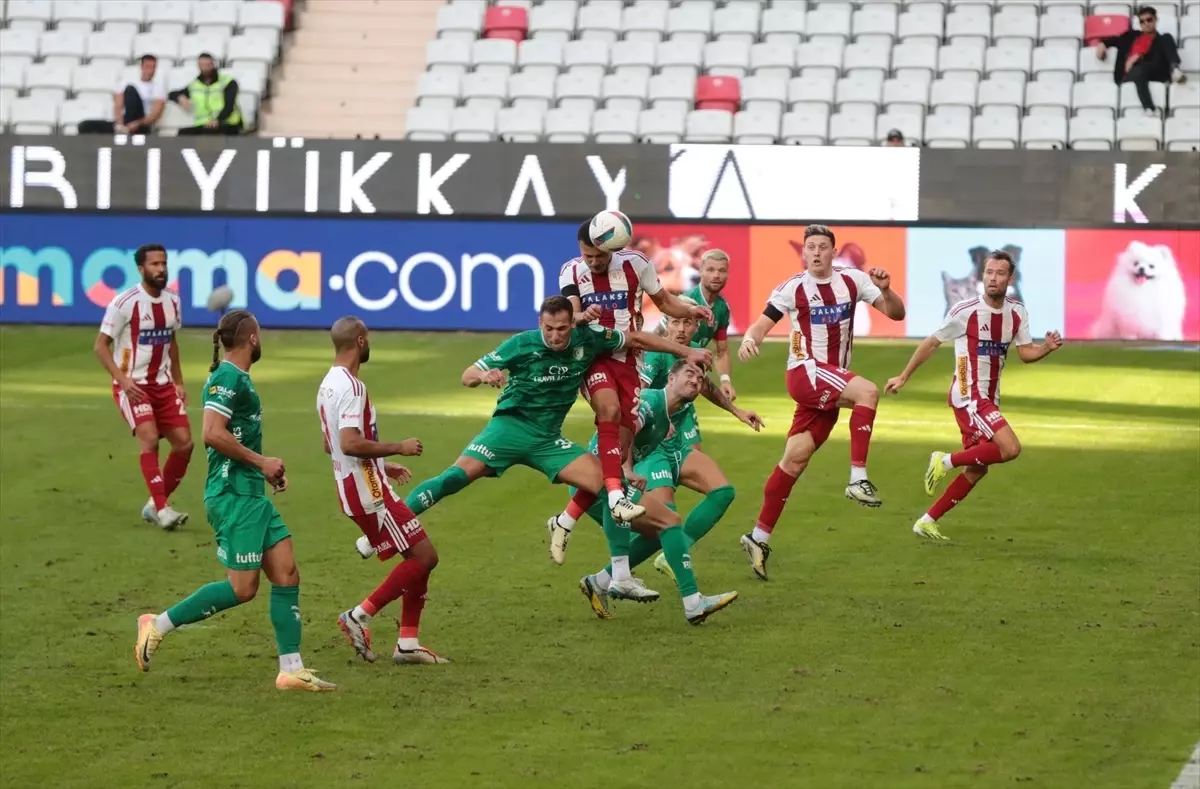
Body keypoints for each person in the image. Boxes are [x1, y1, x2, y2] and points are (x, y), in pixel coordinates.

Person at [398, 296, 734, 625]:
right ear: (539, 324)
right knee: (454, 478)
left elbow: (633, 338)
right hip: (508, 430)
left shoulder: (587, 341)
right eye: (549, 329)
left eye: (562, 328)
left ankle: (624, 580)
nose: (556, 336)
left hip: (549, 441)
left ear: (571, 324)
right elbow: (468, 374)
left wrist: (687, 351)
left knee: (636, 502)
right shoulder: (522, 344)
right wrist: (486, 377)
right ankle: (388, 527)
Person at [135, 311, 335, 691]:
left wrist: (263, 469)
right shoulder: (227, 376)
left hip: (250, 493)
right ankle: (156, 624)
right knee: (243, 589)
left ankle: (291, 668)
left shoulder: (238, 378)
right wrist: (261, 461)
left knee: (287, 571)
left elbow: (233, 435)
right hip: (232, 496)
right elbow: (211, 433)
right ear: (252, 339)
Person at [737, 224, 907, 580]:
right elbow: (761, 324)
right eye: (809, 247)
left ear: (833, 252)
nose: (815, 253)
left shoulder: (854, 281)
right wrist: (749, 339)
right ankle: (857, 478)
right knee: (868, 391)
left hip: (828, 382)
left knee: (794, 461)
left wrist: (886, 290)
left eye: (822, 247)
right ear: (804, 252)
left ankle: (758, 537)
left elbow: (896, 314)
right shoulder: (793, 287)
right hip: (806, 371)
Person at [549, 301, 763, 566]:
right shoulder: (656, 356)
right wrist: (654, 417)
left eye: (687, 323)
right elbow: (634, 401)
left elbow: (706, 385)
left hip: (669, 440)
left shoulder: (691, 356)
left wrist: (736, 411)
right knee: (662, 518)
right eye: (676, 321)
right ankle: (613, 575)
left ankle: (665, 558)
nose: (682, 329)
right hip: (647, 440)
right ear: (666, 323)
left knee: (721, 492)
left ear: (696, 327)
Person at [885, 251, 1064, 541]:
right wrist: (904, 376)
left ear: (1010, 278)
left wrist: (1046, 348)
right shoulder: (965, 311)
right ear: (982, 275)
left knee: (977, 469)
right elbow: (931, 343)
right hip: (969, 393)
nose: (993, 278)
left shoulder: (1017, 312)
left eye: (999, 273)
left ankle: (926, 521)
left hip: (989, 397)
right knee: (1011, 448)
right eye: (989, 272)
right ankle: (943, 460)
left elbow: (1025, 353)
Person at [559, 221, 714, 524]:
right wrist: (581, 316)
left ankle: (567, 519)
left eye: (598, 256)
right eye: (587, 256)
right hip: (593, 357)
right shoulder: (571, 271)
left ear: (612, 247)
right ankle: (616, 495)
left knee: (623, 438)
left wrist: (689, 310)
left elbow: (664, 302)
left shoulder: (636, 265)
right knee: (610, 409)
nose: (593, 262)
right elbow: (571, 310)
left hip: (630, 359)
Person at [317, 317, 449, 665]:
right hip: (368, 493)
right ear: (360, 341)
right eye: (369, 337)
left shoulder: (328, 384)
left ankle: (408, 643)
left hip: (357, 484)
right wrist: (398, 448)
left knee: (417, 559)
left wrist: (380, 465)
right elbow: (348, 442)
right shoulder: (353, 388)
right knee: (425, 557)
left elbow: (328, 443)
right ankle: (359, 615)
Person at [573, 362, 736, 620]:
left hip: (600, 481)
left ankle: (600, 581)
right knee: (668, 520)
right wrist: (625, 469)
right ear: (670, 379)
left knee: (660, 530)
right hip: (599, 482)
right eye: (689, 374)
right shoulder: (650, 402)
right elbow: (620, 432)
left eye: (700, 377)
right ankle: (693, 603)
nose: (695, 380)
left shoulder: (665, 418)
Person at [93, 244, 192, 530]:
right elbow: (100, 346)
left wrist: (179, 381)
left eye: (163, 263)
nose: (160, 269)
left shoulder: (173, 301)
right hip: (133, 385)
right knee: (148, 438)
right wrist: (123, 381)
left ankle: (154, 504)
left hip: (163, 385)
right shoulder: (125, 303)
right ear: (141, 269)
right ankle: (163, 509)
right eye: (154, 264)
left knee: (185, 444)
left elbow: (172, 344)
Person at [657, 249, 737, 403]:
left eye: (721, 271)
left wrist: (725, 380)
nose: (716, 275)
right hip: (664, 377)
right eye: (710, 270)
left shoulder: (722, 308)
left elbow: (721, 351)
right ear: (700, 271)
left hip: (686, 379)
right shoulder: (685, 302)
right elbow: (658, 336)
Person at [1094, 6, 1186, 114]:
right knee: (1140, 70)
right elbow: (1114, 39)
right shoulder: (1131, 36)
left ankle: (1175, 68)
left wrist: (1139, 57)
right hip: (1130, 73)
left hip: (1156, 70)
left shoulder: (1160, 40)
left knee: (1166, 37)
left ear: (1156, 19)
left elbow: (1159, 59)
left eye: (1149, 20)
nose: (1146, 23)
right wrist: (1103, 43)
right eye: (1142, 21)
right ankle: (1149, 108)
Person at [78, 54, 166, 135]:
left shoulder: (158, 88)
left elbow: (155, 113)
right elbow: (118, 105)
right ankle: (123, 129)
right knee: (85, 126)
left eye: (153, 67)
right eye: (148, 67)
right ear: (141, 67)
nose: (151, 71)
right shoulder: (126, 83)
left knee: (130, 90)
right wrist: (119, 125)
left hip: (141, 125)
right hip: (123, 122)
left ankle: (126, 128)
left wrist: (137, 123)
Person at [169, 53, 243, 135]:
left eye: (207, 65)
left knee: (209, 133)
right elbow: (171, 94)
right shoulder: (195, 85)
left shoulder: (227, 82)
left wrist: (217, 120)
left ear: (213, 64)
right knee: (183, 134)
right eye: (202, 65)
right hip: (204, 124)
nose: (205, 68)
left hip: (227, 123)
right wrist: (179, 97)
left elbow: (229, 106)